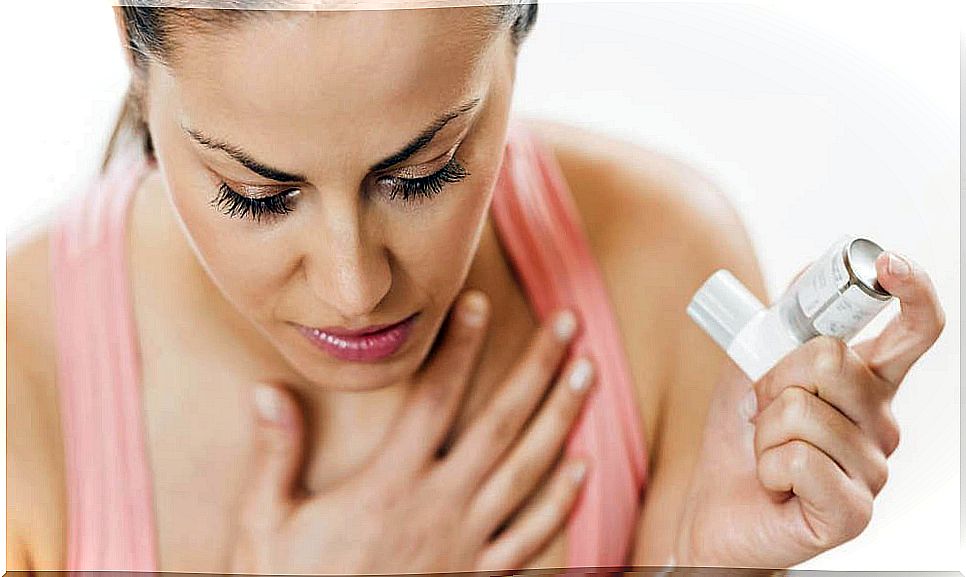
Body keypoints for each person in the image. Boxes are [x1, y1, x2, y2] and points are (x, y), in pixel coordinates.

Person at [5, 1, 946, 574]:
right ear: (134, 58)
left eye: (422, 172)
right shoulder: (21, 377)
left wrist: (707, 563)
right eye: (258, 194)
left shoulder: (662, 267)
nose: (354, 285)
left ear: (518, 32)